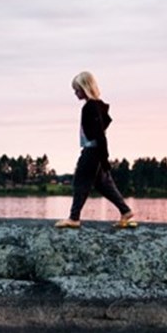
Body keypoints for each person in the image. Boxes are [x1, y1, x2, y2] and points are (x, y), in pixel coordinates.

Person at [56, 71, 134, 229]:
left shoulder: (90, 107)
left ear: (85, 88)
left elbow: (99, 135)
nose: (75, 93)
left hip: (92, 151)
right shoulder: (98, 106)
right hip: (97, 152)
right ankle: (125, 211)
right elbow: (101, 133)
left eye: (77, 90)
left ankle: (74, 218)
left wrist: (104, 159)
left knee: (80, 182)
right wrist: (103, 159)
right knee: (103, 184)